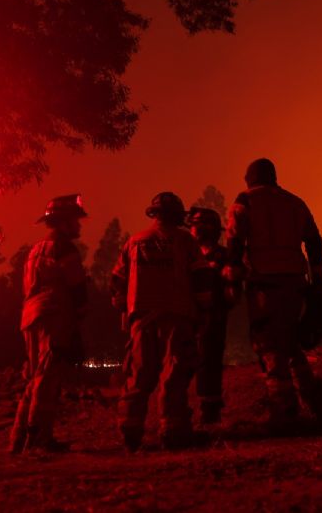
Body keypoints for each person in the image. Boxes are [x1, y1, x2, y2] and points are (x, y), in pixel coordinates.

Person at [224, 158, 322, 431]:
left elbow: (234, 239)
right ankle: (312, 400)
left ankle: (283, 410)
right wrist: (318, 280)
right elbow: (315, 241)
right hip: (294, 280)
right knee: (290, 338)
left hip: (263, 281)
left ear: (249, 178)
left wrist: (232, 276)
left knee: (268, 342)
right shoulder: (295, 202)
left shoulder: (244, 201)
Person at [111, 192, 200, 451]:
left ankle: (130, 430)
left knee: (139, 374)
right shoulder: (185, 240)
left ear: (154, 214)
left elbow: (117, 282)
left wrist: (125, 311)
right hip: (177, 316)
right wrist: (203, 311)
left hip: (142, 319)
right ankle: (173, 432)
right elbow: (201, 278)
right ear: (176, 216)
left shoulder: (134, 242)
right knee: (173, 375)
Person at [10, 194, 88, 454]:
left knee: (35, 377)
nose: (78, 226)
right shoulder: (64, 247)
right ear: (64, 223)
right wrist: (80, 317)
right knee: (48, 377)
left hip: (30, 316)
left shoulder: (34, 249)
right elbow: (77, 286)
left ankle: (18, 439)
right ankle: (38, 439)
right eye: (75, 221)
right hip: (54, 315)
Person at [187, 207, 235, 425]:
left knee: (209, 361)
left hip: (212, 319)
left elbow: (232, 293)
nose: (192, 232)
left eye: (195, 228)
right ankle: (179, 409)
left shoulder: (222, 257)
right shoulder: (187, 256)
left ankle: (209, 409)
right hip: (187, 317)